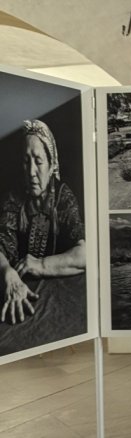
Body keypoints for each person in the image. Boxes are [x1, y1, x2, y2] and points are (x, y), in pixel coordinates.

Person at [0, 120, 87, 325]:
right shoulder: (13, 198)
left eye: (38, 162)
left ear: (51, 165)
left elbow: (85, 255)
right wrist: (7, 272)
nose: (31, 171)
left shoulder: (63, 198)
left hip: (57, 297)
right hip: (17, 290)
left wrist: (40, 265)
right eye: (26, 161)